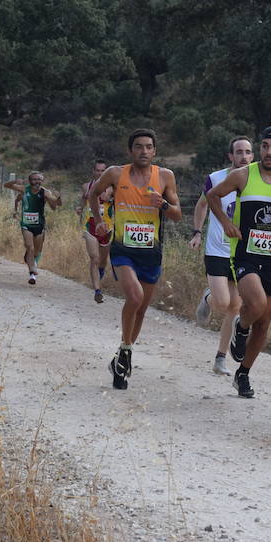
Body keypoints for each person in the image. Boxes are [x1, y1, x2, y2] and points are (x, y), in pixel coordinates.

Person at [204, 126, 271, 399]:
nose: (268, 152)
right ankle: (240, 327)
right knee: (257, 304)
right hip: (245, 254)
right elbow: (212, 195)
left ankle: (243, 374)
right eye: (265, 146)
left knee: (263, 323)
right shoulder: (243, 175)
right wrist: (226, 223)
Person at [87, 129, 182, 390]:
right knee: (135, 297)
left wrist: (162, 204)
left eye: (148, 147)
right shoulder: (116, 173)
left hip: (151, 251)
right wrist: (99, 221)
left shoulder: (165, 176)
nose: (143, 151)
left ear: (155, 151)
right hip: (123, 249)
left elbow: (177, 215)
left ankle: (122, 354)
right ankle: (126, 351)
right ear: (131, 151)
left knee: (141, 309)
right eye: (138, 147)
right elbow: (94, 194)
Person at [189, 136, 255, 376]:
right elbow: (202, 205)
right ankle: (208, 298)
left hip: (242, 252)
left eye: (248, 152)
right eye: (239, 152)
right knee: (222, 302)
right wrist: (197, 232)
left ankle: (220, 358)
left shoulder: (256, 181)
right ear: (231, 156)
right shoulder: (216, 179)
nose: (244, 156)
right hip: (217, 248)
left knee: (235, 306)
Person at [3, 172, 62, 285]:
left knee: (37, 250)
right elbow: (6, 185)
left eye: (39, 180)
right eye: (34, 180)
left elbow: (55, 207)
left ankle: (31, 261)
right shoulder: (25, 190)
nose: (37, 182)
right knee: (29, 247)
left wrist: (58, 198)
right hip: (26, 224)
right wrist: (15, 182)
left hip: (39, 224)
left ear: (42, 181)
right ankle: (32, 273)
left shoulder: (45, 192)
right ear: (30, 181)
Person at [78, 160, 113, 303]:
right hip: (89, 226)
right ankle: (97, 290)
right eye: (97, 170)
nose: (99, 173)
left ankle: (100, 273)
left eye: (102, 171)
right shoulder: (86, 186)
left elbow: (108, 198)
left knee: (103, 261)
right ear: (93, 171)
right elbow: (83, 200)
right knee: (95, 258)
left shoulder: (111, 187)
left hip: (106, 227)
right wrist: (80, 209)